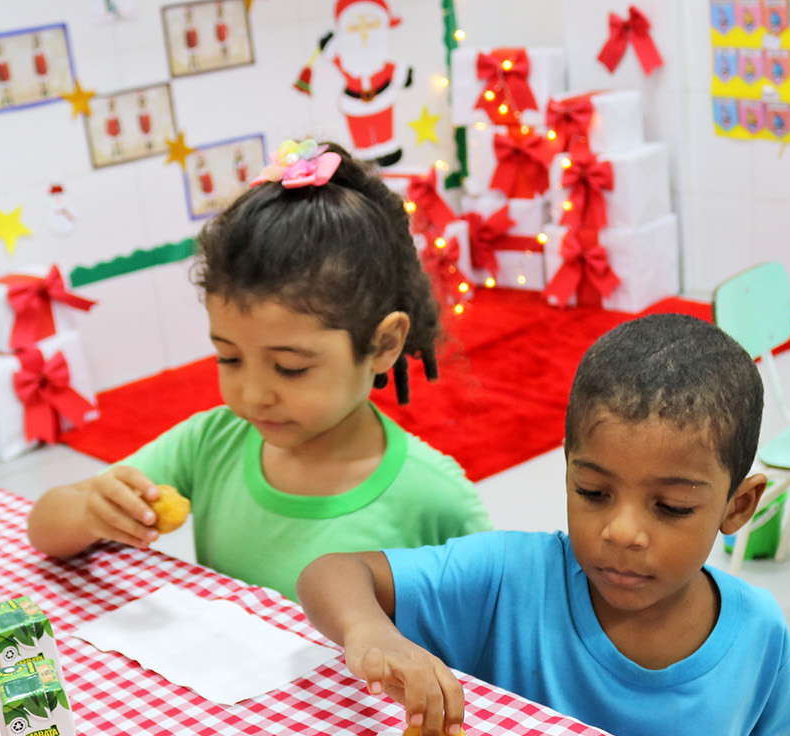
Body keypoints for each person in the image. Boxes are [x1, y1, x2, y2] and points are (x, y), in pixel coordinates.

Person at [296, 313, 790, 736]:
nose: (622, 532)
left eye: (671, 506)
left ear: (738, 506)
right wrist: (372, 632)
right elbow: (333, 571)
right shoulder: (508, 579)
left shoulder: (758, 630)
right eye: (593, 492)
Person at [27, 139, 492, 599]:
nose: (252, 395)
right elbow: (44, 524)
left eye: (289, 367)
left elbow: (496, 618)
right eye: (229, 358)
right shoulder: (210, 444)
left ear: (383, 344)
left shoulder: (436, 500)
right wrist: (93, 512)